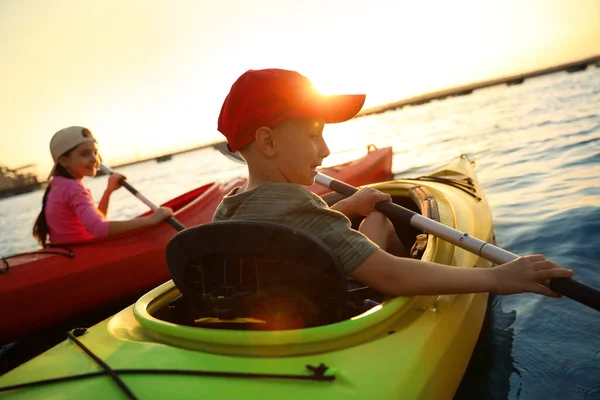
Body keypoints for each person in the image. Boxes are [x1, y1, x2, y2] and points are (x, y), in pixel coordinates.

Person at [211, 68, 574, 298]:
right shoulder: (296, 208)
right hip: (334, 307)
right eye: (312, 135)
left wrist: (346, 208)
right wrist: (499, 278)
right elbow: (391, 277)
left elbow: (289, 234)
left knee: (376, 218)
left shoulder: (230, 208)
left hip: (282, 302)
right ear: (268, 143)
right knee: (383, 228)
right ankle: (415, 284)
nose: (325, 149)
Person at [32, 126, 173, 248]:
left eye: (95, 152)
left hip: (77, 250)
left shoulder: (59, 184)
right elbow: (99, 229)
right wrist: (151, 220)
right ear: (63, 160)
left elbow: (96, 223)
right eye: (84, 154)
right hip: (84, 255)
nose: (94, 159)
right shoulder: (73, 188)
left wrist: (108, 191)